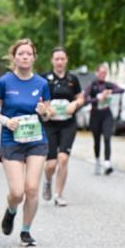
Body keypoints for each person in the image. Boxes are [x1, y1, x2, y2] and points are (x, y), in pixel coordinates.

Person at [0, 39, 53, 247]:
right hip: (11, 140)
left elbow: (48, 113)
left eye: (29, 54)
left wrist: (44, 112)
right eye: (21, 53)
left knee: (31, 188)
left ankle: (26, 231)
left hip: (36, 140)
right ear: (14, 58)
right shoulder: (5, 81)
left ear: (34, 58)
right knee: (17, 192)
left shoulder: (41, 83)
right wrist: (5, 120)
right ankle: (11, 210)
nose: (25, 57)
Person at [42, 47, 84, 205]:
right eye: (56, 59)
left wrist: (75, 104)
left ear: (66, 60)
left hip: (68, 124)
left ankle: (58, 195)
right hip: (50, 125)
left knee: (63, 159)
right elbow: (38, 100)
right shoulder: (44, 79)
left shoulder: (73, 79)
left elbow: (81, 98)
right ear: (52, 60)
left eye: (62, 59)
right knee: (51, 164)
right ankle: (47, 181)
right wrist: (46, 109)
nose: (59, 62)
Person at [85, 64, 124, 175]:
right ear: (96, 73)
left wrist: (110, 92)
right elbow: (85, 99)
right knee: (97, 140)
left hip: (106, 114)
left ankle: (107, 163)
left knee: (107, 138)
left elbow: (121, 90)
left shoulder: (108, 85)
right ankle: (97, 161)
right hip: (95, 114)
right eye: (101, 72)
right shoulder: (92, 85)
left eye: (105, 73)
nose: (103, 75)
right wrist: (97, 98)